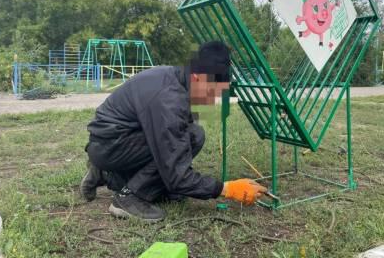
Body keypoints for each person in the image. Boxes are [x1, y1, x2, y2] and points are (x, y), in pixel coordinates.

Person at [80, 41, 267, 222]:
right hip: (111, 145)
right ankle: (129, 198)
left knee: (193, 134)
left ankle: (106, 174)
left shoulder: (176, 77)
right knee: (190, 139)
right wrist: (226, 188)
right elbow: (176, 168)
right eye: (212, 90)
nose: (212, 98)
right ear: (198, 78)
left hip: (112, 141)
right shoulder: (169, 101)